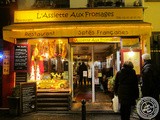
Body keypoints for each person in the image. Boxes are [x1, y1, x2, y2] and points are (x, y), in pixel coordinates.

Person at [140, 53, 160, 120]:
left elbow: (147, 82)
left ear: (144, 59)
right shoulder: (154, 65)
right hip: (155, 90)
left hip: (150, 91)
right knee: (154, 104)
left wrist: (145, 92)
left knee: (149, 105)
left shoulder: (147, 68)